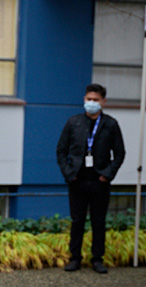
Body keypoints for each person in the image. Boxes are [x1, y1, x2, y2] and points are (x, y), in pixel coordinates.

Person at [56, 83, 125, 274]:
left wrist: (107, 175)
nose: (92, 103)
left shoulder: (110, 124)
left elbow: (119, 153)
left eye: (95, 100)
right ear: (84, 100)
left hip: (99, 181)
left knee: (98, 222)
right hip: (77, 180)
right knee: (77, 221)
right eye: (89, 99)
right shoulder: (73, 122)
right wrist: (69, 174)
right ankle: (75, 258)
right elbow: (61, 151)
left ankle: (97, 259)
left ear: (103, 102)